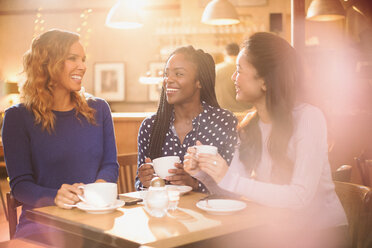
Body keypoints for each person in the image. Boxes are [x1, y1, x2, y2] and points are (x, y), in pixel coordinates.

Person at [184, 33, 348, 247]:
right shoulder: (249, 126)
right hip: (276, 233)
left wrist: (229, 178)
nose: (233, 78)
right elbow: (235, 188)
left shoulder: (309, 118)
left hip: (321, 234)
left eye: (239, 70)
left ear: (265, 81)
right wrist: (204, 173)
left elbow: (300, 197)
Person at [1, 29, 118, 242]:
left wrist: (97, 193)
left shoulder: (99, 109)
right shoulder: (17, 117)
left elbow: (110, 164)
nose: (82, 66)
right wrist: (55, 196)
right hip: (41, 226)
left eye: (83, 59)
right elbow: (20, 186)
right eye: (72, 58)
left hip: (96, 222)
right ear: (47, 63)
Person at [136, 46, 238, 192]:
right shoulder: (150, 126)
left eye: (179, 74)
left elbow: (232, 184)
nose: (168, 80)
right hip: (164, 212)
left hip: (209, 212)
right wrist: (144, 182)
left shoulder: (223, 121)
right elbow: (139, 186)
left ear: (199, 82)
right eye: (166, 74)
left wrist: (194, 184)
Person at [215, 43, 251, 112]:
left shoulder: (214, 69)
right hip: (244, 114)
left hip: (220, 114)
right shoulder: (248, 70)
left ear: (224, 53)